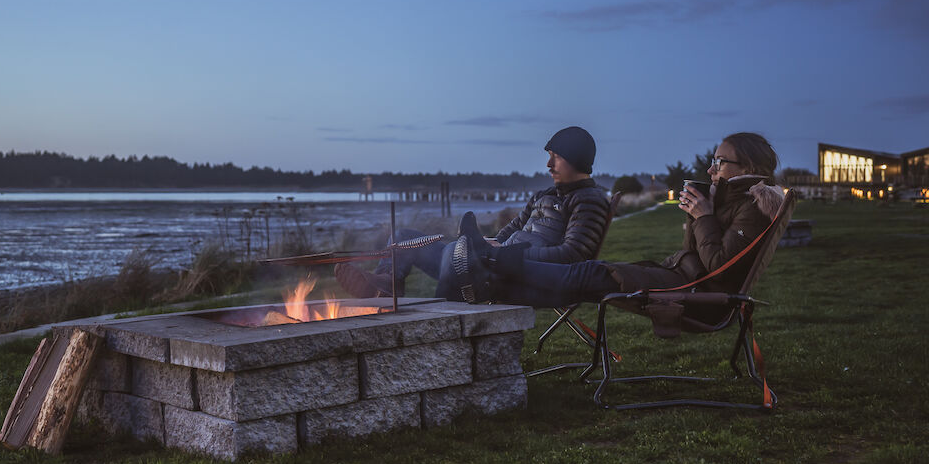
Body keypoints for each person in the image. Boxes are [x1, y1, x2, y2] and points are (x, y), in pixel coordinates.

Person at [439, 132, 786, 306]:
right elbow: (700, 253)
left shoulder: (754, 205)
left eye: (721, 162)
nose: (711, 168)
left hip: (697, 293)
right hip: (683, 277)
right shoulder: (729, 200)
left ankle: (488, 262)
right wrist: (701, 215)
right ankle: (486, 271)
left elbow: (720, 268)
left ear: (750, 169)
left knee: (591, 272)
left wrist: (704, 216)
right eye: (713, 159)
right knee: (593, 272)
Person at [334, 126, 611, 298]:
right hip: (491, 260)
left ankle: (442, 321)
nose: (549, 164)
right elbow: (510, 230)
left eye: (556, 157)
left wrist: (504, 255)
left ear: (576, 159)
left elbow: (574, 257)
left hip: (513, 271)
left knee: (459, 254)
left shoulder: (589, 200)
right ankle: (387, 282)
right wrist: (492, 244)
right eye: (549, 155)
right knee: (405, 236)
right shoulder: (543, 195)